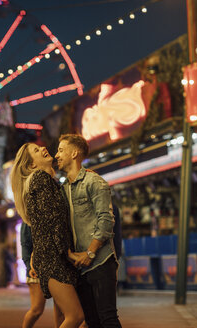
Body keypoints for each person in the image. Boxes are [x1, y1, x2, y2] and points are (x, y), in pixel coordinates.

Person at [11, 143, 84, 328]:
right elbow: (53, 221)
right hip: (53, 258)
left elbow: (43, 224)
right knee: (75, 316)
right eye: (36, 150)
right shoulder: (40, 179)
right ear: (32, 165)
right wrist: (68, 252)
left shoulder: (45, 181)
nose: (43, 148)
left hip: (51, 256)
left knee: (62, 318)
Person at [55, 134, 122, 328]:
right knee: (92, 321)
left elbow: (107, 220)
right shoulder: (63, 189)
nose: (56, 155)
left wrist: (90, 252)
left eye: (61, 150)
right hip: (79, 266)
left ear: (74, 153)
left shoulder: (94, 182)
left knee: (108, 318)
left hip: (100, 261)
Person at [21, 222, 64, 328]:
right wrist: (30, 267)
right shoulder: (27, 219)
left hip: (56, 266)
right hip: (36, 269)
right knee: (36, 310)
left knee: (61, 310)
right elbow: (25, 245)